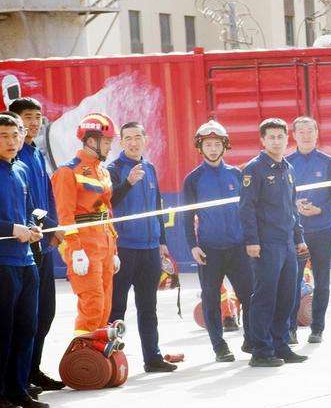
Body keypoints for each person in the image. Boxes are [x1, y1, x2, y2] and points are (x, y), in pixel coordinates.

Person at [107, 122, 176, 373]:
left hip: (150, 248)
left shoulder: (150, 168)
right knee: (117, 307)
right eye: (128, 138)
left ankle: (153, 358)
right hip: (124, 248)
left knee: (148, 307)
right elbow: (109, 202)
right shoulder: (113, 169)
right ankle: (110, 361)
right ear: (121, 142)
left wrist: (162, 242)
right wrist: (128, 183)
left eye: (137, 137)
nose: (133, 142)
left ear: (145, 139)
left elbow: (157, 208)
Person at [239, 118, 309, 367]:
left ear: (287, 138)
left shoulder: (288, 168)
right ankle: (261, 350)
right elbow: (247, 208)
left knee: (287, 297)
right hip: (265, 244)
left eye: (280, 137)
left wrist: (299, 238)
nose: (277, 141)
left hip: (287, 242)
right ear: (263, 140)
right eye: (271, 137)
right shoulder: (254, 169)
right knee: (265, 297)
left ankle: (281, 345)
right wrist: (252, 240)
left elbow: (292, 208)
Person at [182, 120, 254, 362]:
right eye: (207, 145)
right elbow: (187, 215)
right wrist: (193, 245)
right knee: (211, 298)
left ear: (225, 146)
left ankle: (251, 339)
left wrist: (251, 240)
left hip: (238, 247)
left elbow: (248, 211)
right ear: (200, 147)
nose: (212, 149)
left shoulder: (237, 175)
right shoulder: (193, 179)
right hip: (209, 250)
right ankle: (219, 347)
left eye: (216, 144)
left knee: (249, 295)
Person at [9, 97, 65, 391]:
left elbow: (47, 195)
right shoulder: (14, 158)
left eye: (37, 117)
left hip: (44, 243)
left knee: (45, 313)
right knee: (24, 317)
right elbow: (26, 204)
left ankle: (32, 369)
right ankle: (19, 377)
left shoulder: (36, 154)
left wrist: (53, 227)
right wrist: (41, 225)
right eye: (27, 117)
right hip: (25, 244)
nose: (33, 123)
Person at [51, 113, 120, 341]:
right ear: (91, 140)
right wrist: (76, 250)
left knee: (105, 305)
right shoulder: (67, 171)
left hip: (104, 244)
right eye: (107, 141)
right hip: (84, 246)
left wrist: (114, 250)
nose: (110, 146)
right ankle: (82, 354)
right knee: (92, 305)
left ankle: (97, 355)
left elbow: (107, 211)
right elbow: (65, 215)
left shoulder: (103, 171)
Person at [0, 113, 46, 408]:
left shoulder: (21, 169)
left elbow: (29, 210)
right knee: (3, 330)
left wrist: (32, 228)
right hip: (2, 261)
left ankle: (19, 390)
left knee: (26, 328)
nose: (11, 141)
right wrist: (10, 228)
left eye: (15, 135)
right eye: (3, 135)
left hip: (26, 260)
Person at [285, 115, 331, 345]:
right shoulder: (287, 163)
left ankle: (317, 328)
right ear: (294, 135)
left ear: (317, 133)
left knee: (322, 279)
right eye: (301, 132)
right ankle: (290, 329)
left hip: (323, 229)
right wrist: (294, 205)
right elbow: (280, 196)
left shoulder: (328, 162)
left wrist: (321, 209)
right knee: (292, 280)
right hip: (296, 232)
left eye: (310, 131)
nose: (306, 135)